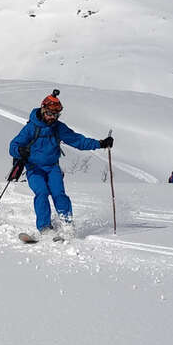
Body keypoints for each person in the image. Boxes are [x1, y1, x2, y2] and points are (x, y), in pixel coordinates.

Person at [9, 90, 113, 238]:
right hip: (34, 168)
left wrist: (101, 143)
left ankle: (67, 225)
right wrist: (20, 150)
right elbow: (13, 146)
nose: (52, 118)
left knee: (59, 194)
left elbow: (78, 140)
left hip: (52, 167)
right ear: (43, 110)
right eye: (49, 114)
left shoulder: (58, 127)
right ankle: (45, 227)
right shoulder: (31, 128)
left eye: (56, 115)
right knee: (42, 193)